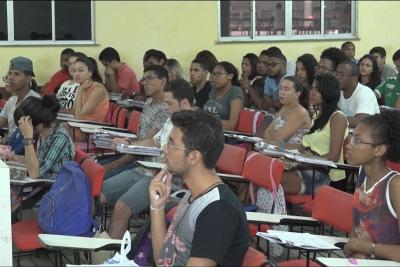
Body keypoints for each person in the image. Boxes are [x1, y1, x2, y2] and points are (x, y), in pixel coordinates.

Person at [149, 110, 249, 266]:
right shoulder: (193, 194)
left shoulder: (218, 210)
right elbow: (162, 260)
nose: (165, 149)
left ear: (193, 157)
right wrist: (157, 207)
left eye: (172, 144)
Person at [100, 80, 194, 239]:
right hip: (142, 169)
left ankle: (109, 257)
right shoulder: (172, 119)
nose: (165, 108)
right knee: (98, 192)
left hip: (163, 179)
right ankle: (91, 239)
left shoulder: (194, 126)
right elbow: (154, 141)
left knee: (122, 207)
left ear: (184, 103)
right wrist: (129, 143)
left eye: (169, 103)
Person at [343, 109, 400, 261]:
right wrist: (353, 248)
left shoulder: (395, 185)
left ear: (379, 150)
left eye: (357, 140)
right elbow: (354, 234)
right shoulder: (363, 173)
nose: (349, 145)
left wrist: (364, 247)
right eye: (351, 137)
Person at [281, 74, 348, 195]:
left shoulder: (338, 117)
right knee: (269, 169)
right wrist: (278, 148)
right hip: (308, 165)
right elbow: (302, 147)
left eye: (318, 89)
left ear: (328, 93)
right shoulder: (317, 116)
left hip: (324, 173)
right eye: (312, 88)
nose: (312, 92)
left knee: (273, 179)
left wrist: (303, 160)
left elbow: (333, 156)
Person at [13, 95, 74, 180]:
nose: (22, 130)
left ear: (39, 126)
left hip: (53, 189)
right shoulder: (43, 134)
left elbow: (35, 173)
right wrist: (15, 158)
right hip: (42, 184)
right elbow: (37, 162)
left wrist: (27, 138)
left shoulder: (60, 138)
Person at [0, 57, 41, 143]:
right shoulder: (11, 100)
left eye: (16, 74)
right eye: (10, 73)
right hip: (9, 147)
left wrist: (6, 140)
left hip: (24, 150)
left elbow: (32, 134)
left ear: (28, 78)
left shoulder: (35, 101)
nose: (10, 78)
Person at [263, 76, 310, 146]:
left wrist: (272, 136)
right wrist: (272, 137)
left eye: (286, 89)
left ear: (297, 94)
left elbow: (279, 138)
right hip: (275, 149)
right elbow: (266, 133)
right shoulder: (284, 108)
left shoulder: (300, 112)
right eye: (280, 88)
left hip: (291, 154)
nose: (281, 92)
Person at [336, 61, 380, 128]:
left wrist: (334, 119)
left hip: (367, 135)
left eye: (342, 75)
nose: (337, 77)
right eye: (337, 74)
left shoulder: (365, 93)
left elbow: (359, 122)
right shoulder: (337, 91)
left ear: (354, 78)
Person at [203, 61, 243, 130]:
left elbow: (232, 125)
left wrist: (206, 123)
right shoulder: (213, 91)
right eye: (213, 74)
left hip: (223, 136)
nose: (214, 77)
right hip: (207, 132)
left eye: (218, 74)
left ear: (230, 76)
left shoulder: (235, 91)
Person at [73, 56, 109, 122]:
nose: (76, 74)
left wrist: (80, 90)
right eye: (74, 71)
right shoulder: (82, 86)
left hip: (91, 129)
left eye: (80, 70)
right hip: (81, 125)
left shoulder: (98, 89)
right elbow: (74, 112)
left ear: (90, 72)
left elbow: (78, 117)